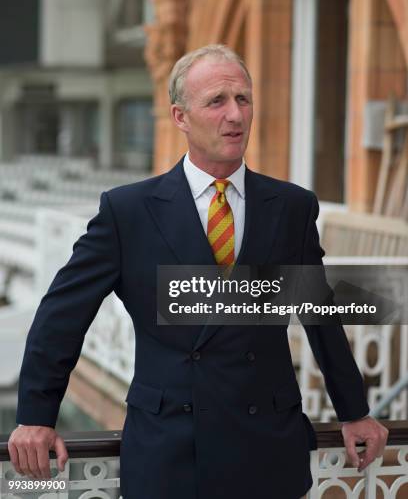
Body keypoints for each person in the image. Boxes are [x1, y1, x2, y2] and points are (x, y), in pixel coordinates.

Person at [8, 45, 388, 499]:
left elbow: (319, 313)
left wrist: (354, 410)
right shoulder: (127, 211)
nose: (235, 115)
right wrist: (36, 415)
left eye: (243, 99)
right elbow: (63, 315)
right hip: (169, 449)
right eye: (216, 102)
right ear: (180, 116)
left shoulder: (292, 206)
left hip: (267, 447)